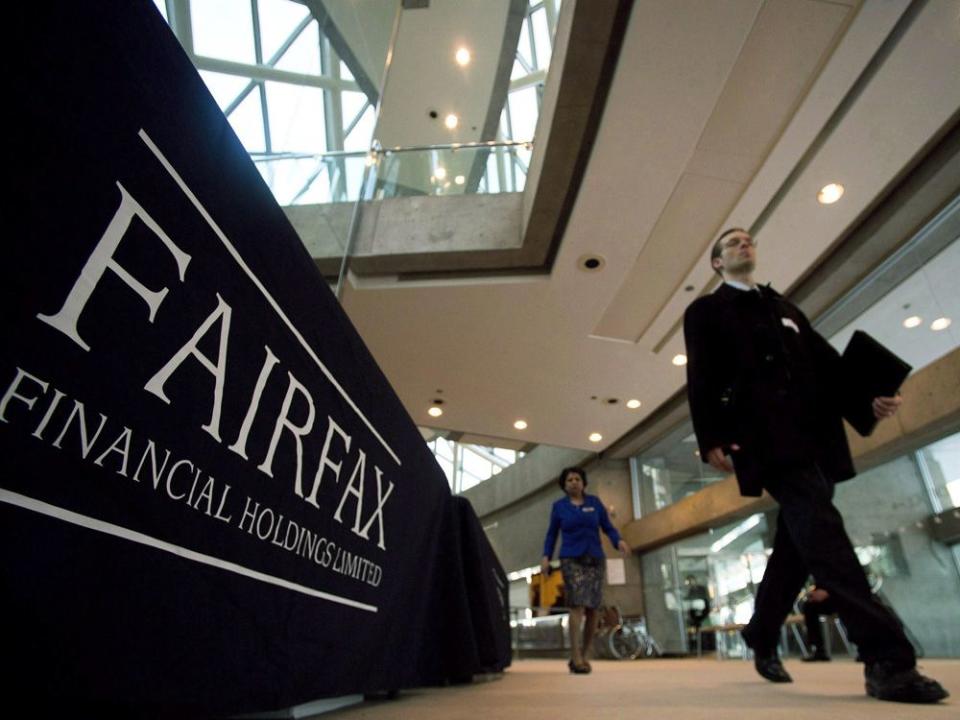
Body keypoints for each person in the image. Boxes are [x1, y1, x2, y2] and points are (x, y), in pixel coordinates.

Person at [682, 228, 947, 704]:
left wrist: (871, 400)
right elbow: (700, 374)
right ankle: (887, 658)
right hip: (766, 440)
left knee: (800, 543)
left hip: (815, 440)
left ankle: (761, 633)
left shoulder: (784, 308)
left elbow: (828, 366)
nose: (745, 245)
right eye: (733, 243)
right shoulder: (706, 311)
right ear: (717, 264)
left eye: (749, 240)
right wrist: (711, 437)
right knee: (824, 533)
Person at [541, 466, 630, 674]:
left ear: (583, 482)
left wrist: (619, 541)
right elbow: (551, 534)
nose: (574, 482)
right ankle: (575, 655)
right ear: (564, 485)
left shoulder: (595, 503)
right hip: (571, 559)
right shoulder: (559, 507)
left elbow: (608, 527)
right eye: (570, 479)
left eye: (577, 479)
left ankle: (585, 651)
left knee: (593, 609)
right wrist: (546, 556)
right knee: (577, 606)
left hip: (595, 559)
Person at [799, 585, 836, 662]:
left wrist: (829, 592)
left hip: (842, 594)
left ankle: (863, 648)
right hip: (827, 596)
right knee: (809, 606)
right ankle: (818, 649)